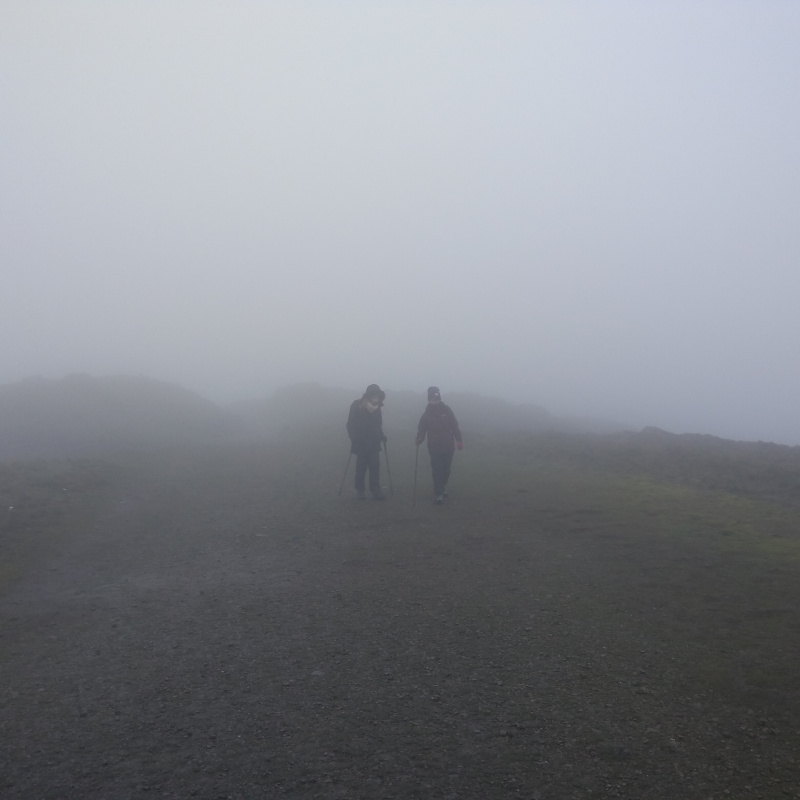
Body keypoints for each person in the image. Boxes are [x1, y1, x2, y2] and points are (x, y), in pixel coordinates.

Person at [415, 386, 463, 505]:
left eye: (436, 398)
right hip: (434, 447)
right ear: (429, 399)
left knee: (446, 470)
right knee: (437, 470)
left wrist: (459, 440)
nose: (434, 400)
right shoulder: (426, 414)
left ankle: (441, 486)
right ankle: (438, 494)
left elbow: (454, 425)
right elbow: (421, 428)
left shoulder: (446, 410)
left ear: (439, 398)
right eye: (432, 398)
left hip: (448, 446)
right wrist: (419, 438)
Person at [346, 384, 387, 500]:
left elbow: (378, 425)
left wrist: (382, 435)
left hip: (374, 442)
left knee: (375, 467)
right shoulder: (357, 406)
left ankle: (375, 490)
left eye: (377, 395)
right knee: (361, 467)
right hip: (360, 443)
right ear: (368, 395)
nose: (376, 397)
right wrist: (354, 439)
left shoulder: (378, 407)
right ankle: (360, 491)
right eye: (374, 394)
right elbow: (350, 424)